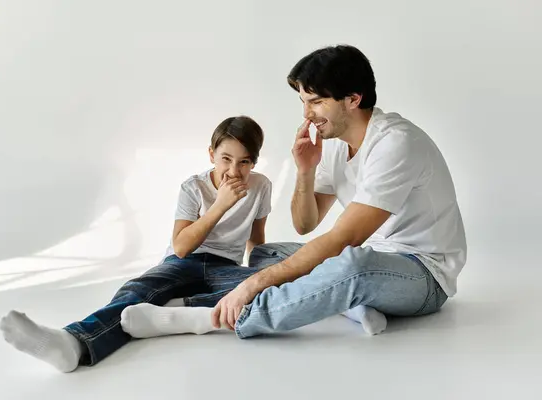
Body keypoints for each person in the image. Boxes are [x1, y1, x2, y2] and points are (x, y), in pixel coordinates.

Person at [121, 44, 467, 340]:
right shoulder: (335, 144)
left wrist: (251, 286)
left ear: (353, 99)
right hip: (371, 258)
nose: (307, 114)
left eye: (315, 102)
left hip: (423, 275)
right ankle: (346, 304)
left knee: (351, 266)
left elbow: (343, 240)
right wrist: (305, 169)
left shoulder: (395, 143)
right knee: (266, 255)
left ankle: (206, 318)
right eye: (304, 102)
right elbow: (305, 224)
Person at [0, 115, 273, 372]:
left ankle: (173, 309)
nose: (233, 171)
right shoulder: (193, 187)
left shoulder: (260, 186)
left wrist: (256, 275)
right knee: (137, 291)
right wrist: (220, 206)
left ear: (254, 163)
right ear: (211, 155)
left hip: (226, 267)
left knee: (270, 288)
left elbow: (256, 238)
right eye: (226, 159)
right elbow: (181, 246)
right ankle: (74, 343)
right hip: (184, 261)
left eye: (244, 162)